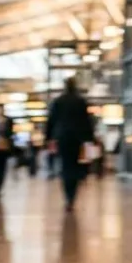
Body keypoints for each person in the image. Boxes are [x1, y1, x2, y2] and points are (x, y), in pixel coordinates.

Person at [46, 77, 92, 211]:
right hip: (78, 138)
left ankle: (68, 197)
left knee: (66, 166)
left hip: (62, 137)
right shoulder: (81, 101)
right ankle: (72, 195)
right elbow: (86, 121)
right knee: (76, 166)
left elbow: (51, 121)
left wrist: (48, 138)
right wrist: (89, 138)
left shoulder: (58, 101)